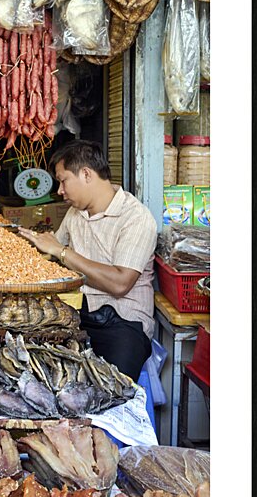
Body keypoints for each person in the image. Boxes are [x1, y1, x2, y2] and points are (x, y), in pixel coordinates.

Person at [18, 140, 157, 381]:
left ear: (86, 174)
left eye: (63, 181)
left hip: (123, 324)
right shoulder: (76, 213)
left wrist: (62, 251)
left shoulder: (136, 218)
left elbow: (120, 283)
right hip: (79, 316)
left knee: (112, 392)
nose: (60, 190)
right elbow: (50, 254)